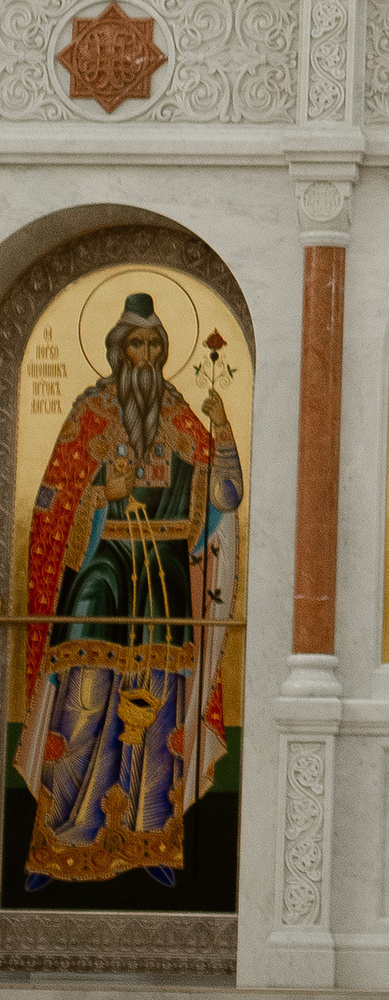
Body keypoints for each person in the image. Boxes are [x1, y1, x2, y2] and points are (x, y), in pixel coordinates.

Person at [15, 291, 242, 896]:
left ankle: (152, 839)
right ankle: (62, 836)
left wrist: (222, 434)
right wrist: (102, 495)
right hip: (102, 568)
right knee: (85, 701)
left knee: (158, 707)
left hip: (164, 581)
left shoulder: (183, 417)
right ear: (116, 350)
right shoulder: (88, 415)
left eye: (155, 346)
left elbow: (225, 502)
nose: (144, 357)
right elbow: (49, 511)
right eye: (134, 344)